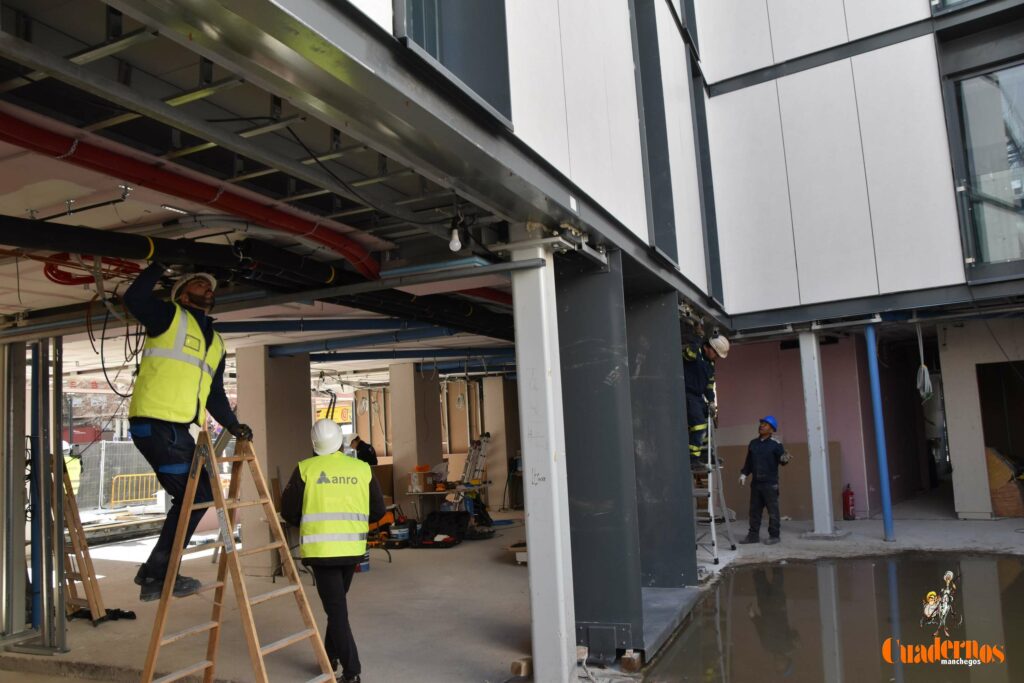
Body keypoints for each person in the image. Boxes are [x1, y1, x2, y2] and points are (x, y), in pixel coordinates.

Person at [124, 263, 252, 601]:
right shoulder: (168, 317)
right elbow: (135, 298)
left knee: (200, 496)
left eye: (211, 286)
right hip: (155, 422)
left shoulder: (216, 342)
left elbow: (214, 393)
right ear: (182, 294)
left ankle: (154, 573)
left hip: (176, 428)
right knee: (197, 496)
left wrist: (232, 424)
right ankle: (157, 574)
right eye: (199, 283)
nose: (209, 288)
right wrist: (158, 263)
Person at [281, 419, 385, 683]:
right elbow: (378, 512)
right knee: (336, 606)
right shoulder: (362, 469)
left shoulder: (306, 469)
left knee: (336, 610)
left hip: (322, 552)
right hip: (352, 549)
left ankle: (352, 673)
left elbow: (289, 512)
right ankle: (330, 655)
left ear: (314, 445)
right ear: (340, 441)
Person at [738, 415, 790, 545]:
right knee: (754, 511)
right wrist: (744, 474)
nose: (761, 426)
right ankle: (753, 536)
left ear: (772, 430)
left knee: (773, 511)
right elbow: (749, 462)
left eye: (765, 424)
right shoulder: (753, 443)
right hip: (756, 484)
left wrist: (785, 459)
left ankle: (774, 536)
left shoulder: (776, 445)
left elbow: (783, 460)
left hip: (770, 484)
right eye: (761, 423)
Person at [683, 333, 729, 469]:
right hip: (687, 394)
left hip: (697, 397)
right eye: (716, 354)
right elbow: (687, 354)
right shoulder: (694, 353)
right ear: (708, 348)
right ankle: (693, 458)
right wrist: (697, 336)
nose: (717, 358)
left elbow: (709, 386)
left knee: (708, 423)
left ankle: (704, 453)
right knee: (699, 425)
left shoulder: (710, 364)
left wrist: (711, 402)